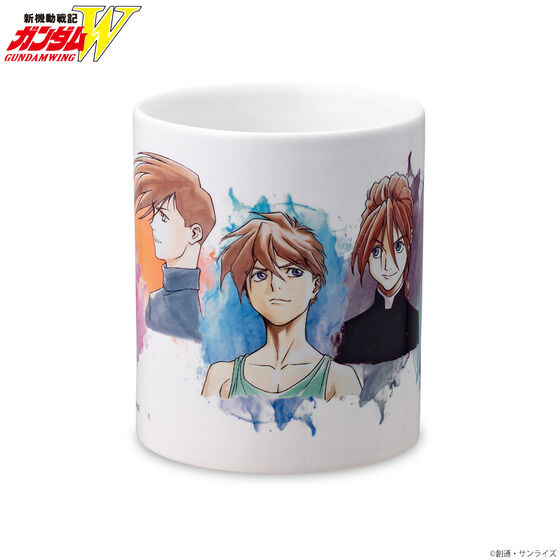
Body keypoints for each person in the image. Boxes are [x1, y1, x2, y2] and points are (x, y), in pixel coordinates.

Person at [202, 212, 362, 400]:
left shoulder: (339, 379)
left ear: (315, 286)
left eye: (294, 272)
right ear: (247, 290)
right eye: (261, 275)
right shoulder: (222, 378)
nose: (276, 285)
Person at [335, 173, 419, 364]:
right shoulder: (349, 334)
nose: (387, 264)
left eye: (398, 247)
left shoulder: (413, 321)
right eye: (377, 251)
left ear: (410, 241)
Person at [134, 152, 216, 341]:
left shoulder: (189, 313)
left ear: (194, 233)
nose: (153, 224)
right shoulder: (155, 302)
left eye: (163, 217)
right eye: (155, 215)